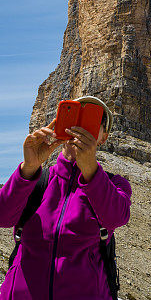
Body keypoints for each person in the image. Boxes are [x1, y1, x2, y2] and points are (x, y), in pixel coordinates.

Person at [0, 96, 132, 300]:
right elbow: (3, 217)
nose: (80, 127)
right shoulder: (35, 178)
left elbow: (116, 218)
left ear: (103, 138)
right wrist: (29, 168)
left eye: (91, 120)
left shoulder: (115, 185)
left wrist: (89, 168)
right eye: (75, 117)